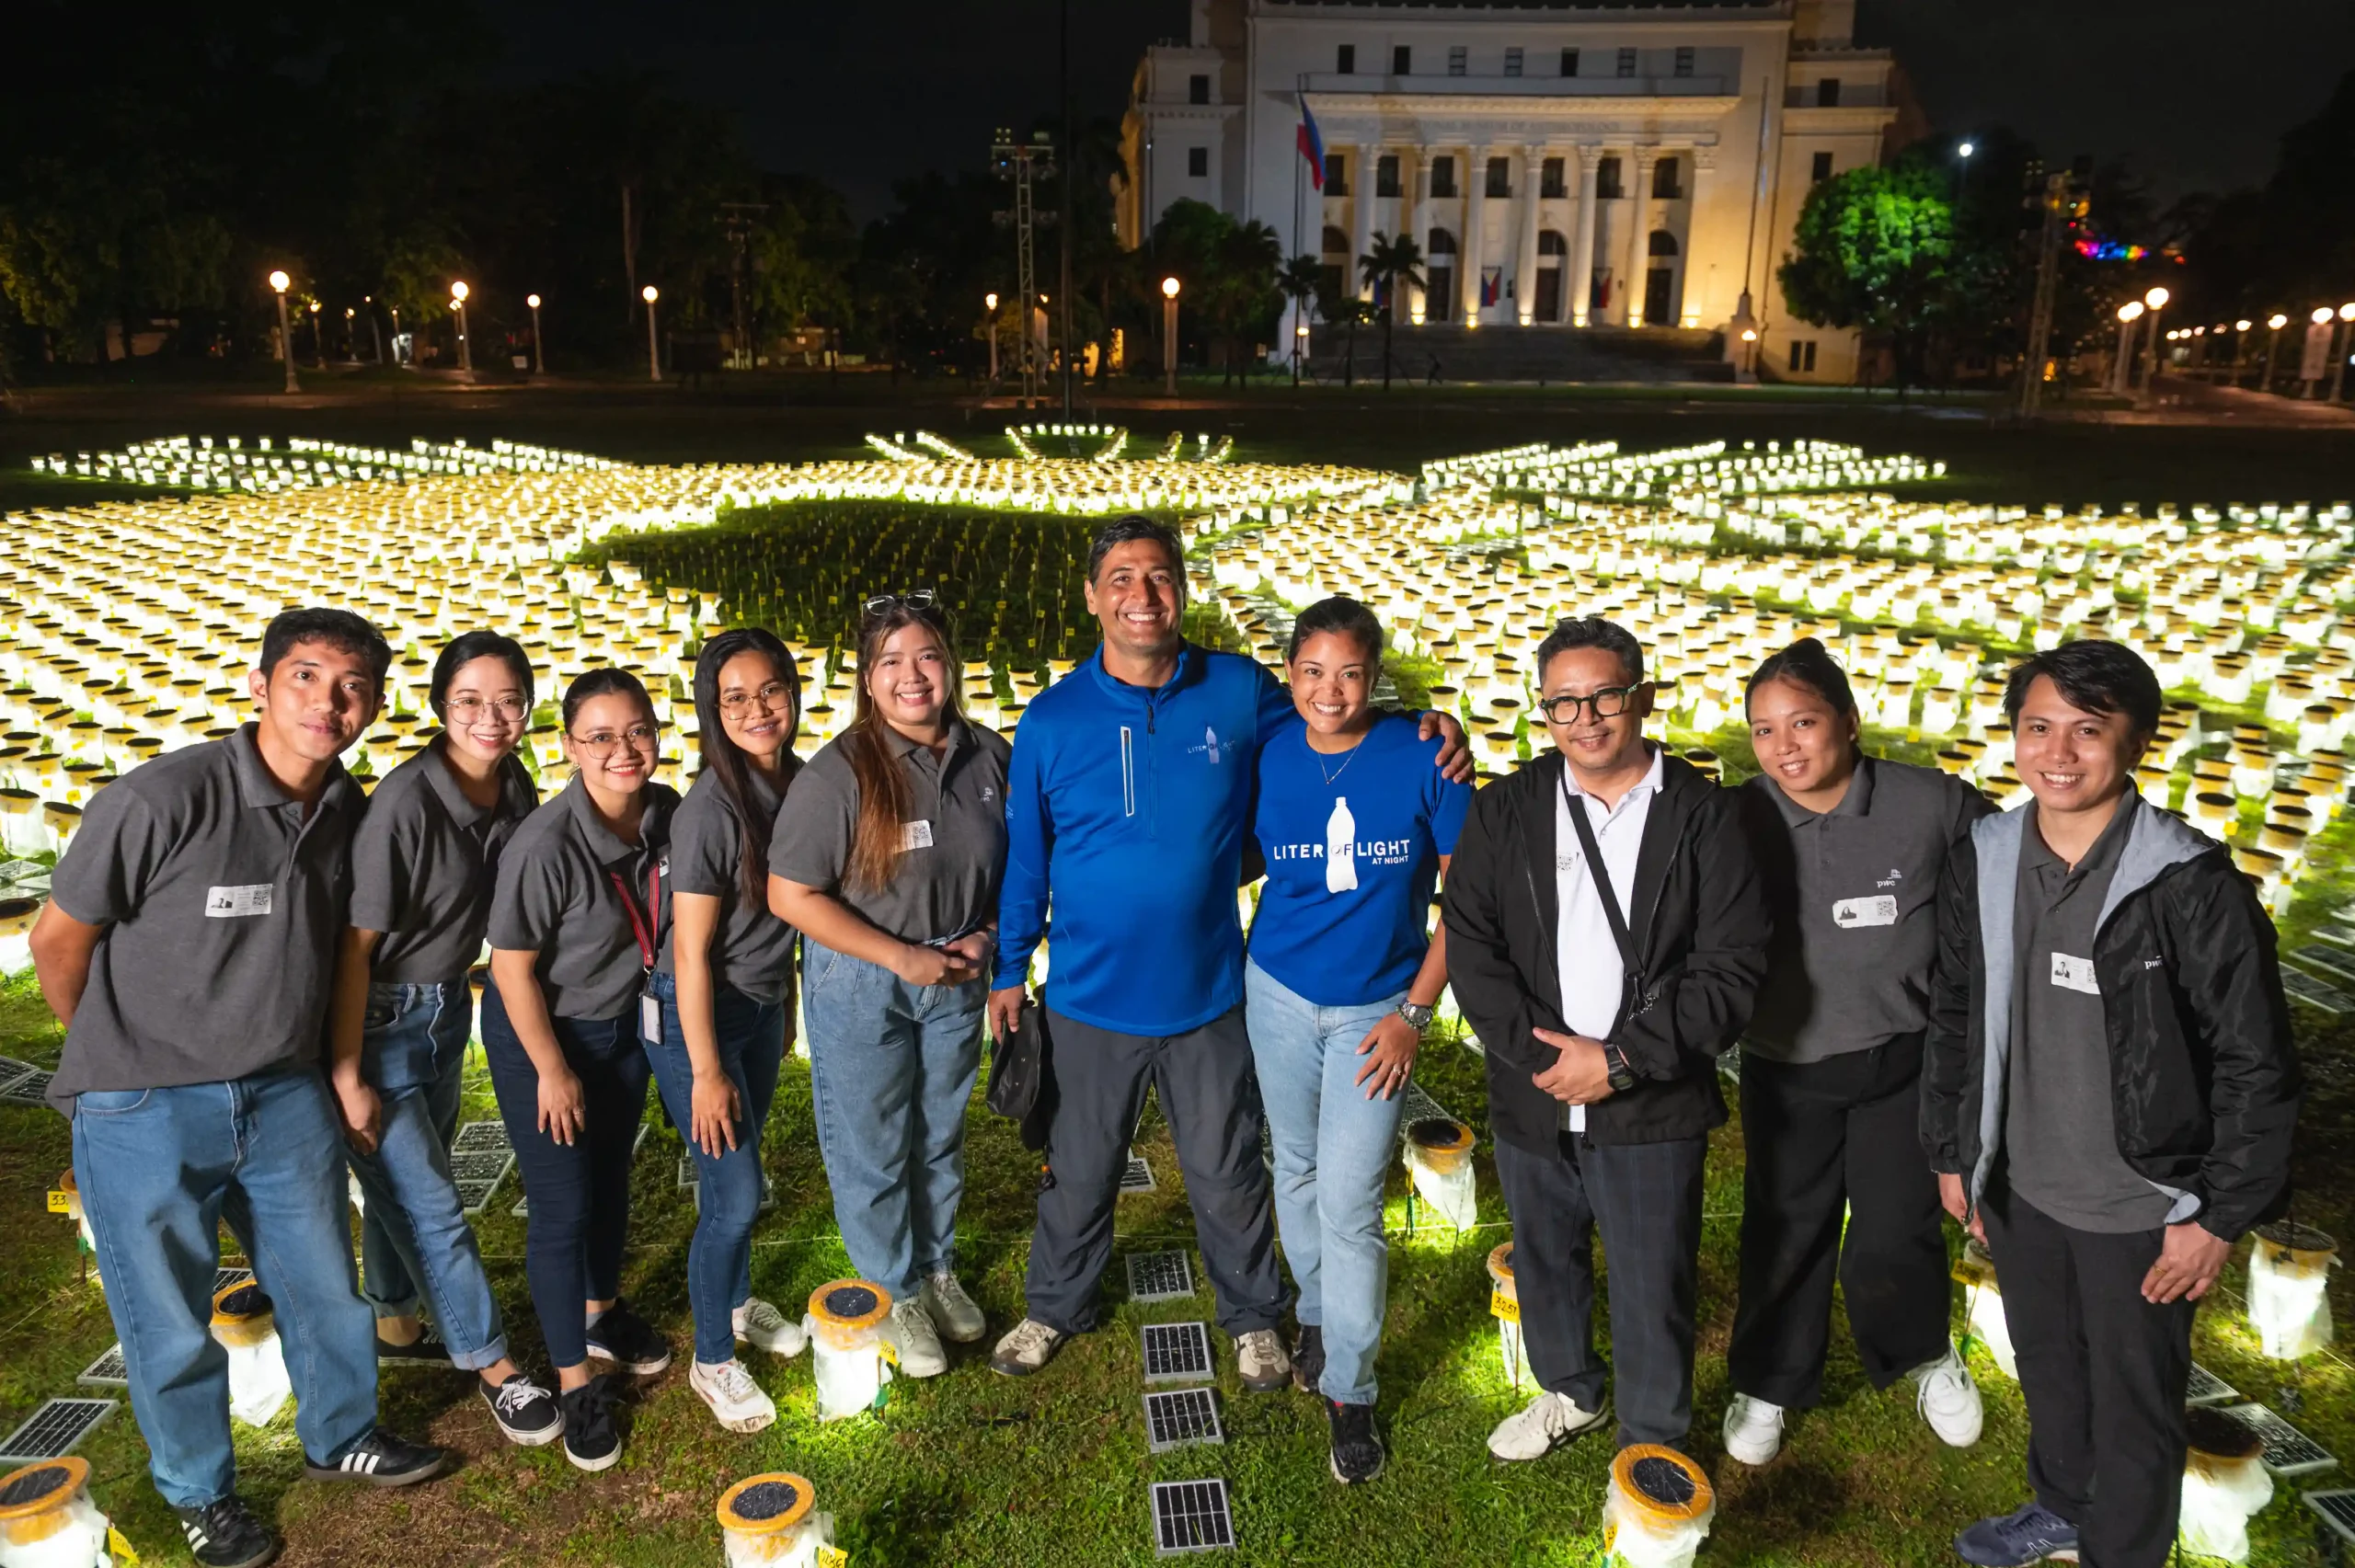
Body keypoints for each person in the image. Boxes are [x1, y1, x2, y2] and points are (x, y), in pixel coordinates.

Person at [985, 515, 1468, 1385]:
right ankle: (1054, 1304)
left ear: (1184, 589)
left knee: (1227, 1164)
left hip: (1209, 989)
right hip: (1089, 996)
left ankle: (1252, 1316)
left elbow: (1336, 715)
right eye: (1122, 578)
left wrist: (1423, 727)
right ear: (1093, 596)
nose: (1144, 594)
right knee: (1082, 1167)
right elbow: (1028, 854)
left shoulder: (1240, 690)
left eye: (1161, 575)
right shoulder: (1051, 720)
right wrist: (1010, 966)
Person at [29, 608, 447, 1568]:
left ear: (374, 704)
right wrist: (116, 1055)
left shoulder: (346, 811)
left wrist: (333, 1070)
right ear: (260, 686)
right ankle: (201, 1492)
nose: (328, 702)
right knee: (168, 1314)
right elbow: (59, 943)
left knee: (321, 1284)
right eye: (305, 677)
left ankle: (341, 1431)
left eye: (351, 687)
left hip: (281, 1091)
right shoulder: (159, 799)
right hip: (146, 1103)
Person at [1927, 640, 2301, 1568]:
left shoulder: (2188, 883)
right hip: (2020, 1184)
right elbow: (1956, 1013)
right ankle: (2060, 1506)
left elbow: (2256, 1062)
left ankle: (2123, 1550)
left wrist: (2216, 1215)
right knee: (2049, 1366)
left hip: (2138, 1203)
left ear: (2135, 743)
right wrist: (1952, 1149)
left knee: (2135, 1396)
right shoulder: (1986, 853)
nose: (2057, 752)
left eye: (2087, 731)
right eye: (2037, 726)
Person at [1442, 615, 1767, 1460]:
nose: (1586, 719)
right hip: (1536, 1093)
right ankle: (1569, 1389)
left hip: (1650, 1102)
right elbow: (1472, 946)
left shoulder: (1703, 814)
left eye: (1605, 697)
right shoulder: (1506, 810)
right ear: (1543, 712)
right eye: (1564, 703)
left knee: (1653, 1273)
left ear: (1643, 698)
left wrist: (1620, 1062)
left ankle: (1653, 1435)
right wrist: (1546, 1059)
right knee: (1546, 1256)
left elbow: (1732, 969)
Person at [1721, 637, 1988, 1466]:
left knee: (1896, 1225)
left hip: (1899, 1061)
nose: (1785, 747)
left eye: (1803, 722)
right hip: (1787, 1062)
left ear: (1850, 720)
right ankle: (1768, 1378)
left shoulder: (1932, 804)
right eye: (1764, 730)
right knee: (1785, 1224)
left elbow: (2018, 869)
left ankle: (1921, 1351)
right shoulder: (1736, 816)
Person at [1242, 595, 1469, 1484]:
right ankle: (1318, 1310)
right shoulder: (1268, 755)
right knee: (1292, 1166)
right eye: (1311, 670)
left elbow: (1468, 899)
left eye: (1350, 672)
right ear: (1290, 673)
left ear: (1376, 676)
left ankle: (1353, 1384)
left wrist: (1414, 1014)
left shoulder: (1423, 754)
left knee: (1351, 1196)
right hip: (1281, 993)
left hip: (1379, 1009)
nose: (1329, 690)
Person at [327, 631, 559, 1448]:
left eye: (507, 701)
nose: (490, 718)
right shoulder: (405, 802)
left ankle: (397, 1326)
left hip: (444, 1011)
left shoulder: (513, 787)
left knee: (402, 1191)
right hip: (378, 1016)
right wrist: (348, 1068)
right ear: (438, 707)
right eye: (469, 701)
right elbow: (354, 948)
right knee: (432, 1204)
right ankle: (495, 1366)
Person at [771, 594, 1005, 1378]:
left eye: (928, 656)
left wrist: (990, 934)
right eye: (892, 662)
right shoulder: (839, 773)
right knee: (871, 1142)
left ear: (951, 663)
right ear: (867, 678)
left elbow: (1021, 867)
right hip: (863, 979)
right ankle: (891, 1288)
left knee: (938, 1132)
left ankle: (936, 1267)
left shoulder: (987, 757)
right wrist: (900, 957)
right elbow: (791, 894)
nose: (914, 676)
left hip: (956, 972)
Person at [485, 667, 678, 1471]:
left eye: (636, 730)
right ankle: (574, 1380)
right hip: (544, 1035)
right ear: (568, 747)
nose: (622, 749)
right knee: (562, 1206)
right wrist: (552, 1071)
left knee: (610, 1179)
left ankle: (601, 1308)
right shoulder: (546, 845)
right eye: (600, 736)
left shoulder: (666, 814)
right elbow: (510, 969)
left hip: (621, 1026)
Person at [646, 629, 810, 1433]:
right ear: (712, 710)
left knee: (737, 1182)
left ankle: (740, 1306)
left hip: (755, 1006)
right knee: (735, 1192)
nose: (757, 708)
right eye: (735, 696)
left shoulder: (800, 783)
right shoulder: (711, 809)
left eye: (770, 689)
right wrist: (706, 1069)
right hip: (695, 1016)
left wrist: (783, 1006)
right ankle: (712, 1359)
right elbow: (688, 953)